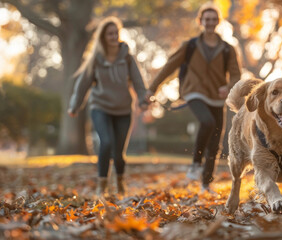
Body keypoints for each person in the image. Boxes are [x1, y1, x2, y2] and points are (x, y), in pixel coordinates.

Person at [146, 3, 241, 192]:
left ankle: (206, 184)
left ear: (218, 22)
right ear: (200, 21)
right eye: (207, 19)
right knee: (206, 122)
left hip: (217, 96)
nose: (210, 23)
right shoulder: (190, 46)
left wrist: (228, 87)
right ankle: (195, 164)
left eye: (214, 20)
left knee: (215, 142)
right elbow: (169, 66)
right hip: (194, 92)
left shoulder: (227, 49)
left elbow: (236, 74)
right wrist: (152, 88)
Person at [68, 16, 147, 196]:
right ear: (103, 37)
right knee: (106, 142)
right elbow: (83, 84)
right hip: (100, 107)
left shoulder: (127, 57)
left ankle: (119, 181)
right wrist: (74, 106)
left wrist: (143, 99)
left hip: (123, 109)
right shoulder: (96, 58)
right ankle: (101, 185)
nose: (113, 36)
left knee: (119, 153)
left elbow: (138, 82)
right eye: (109, 34)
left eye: (116, 33)